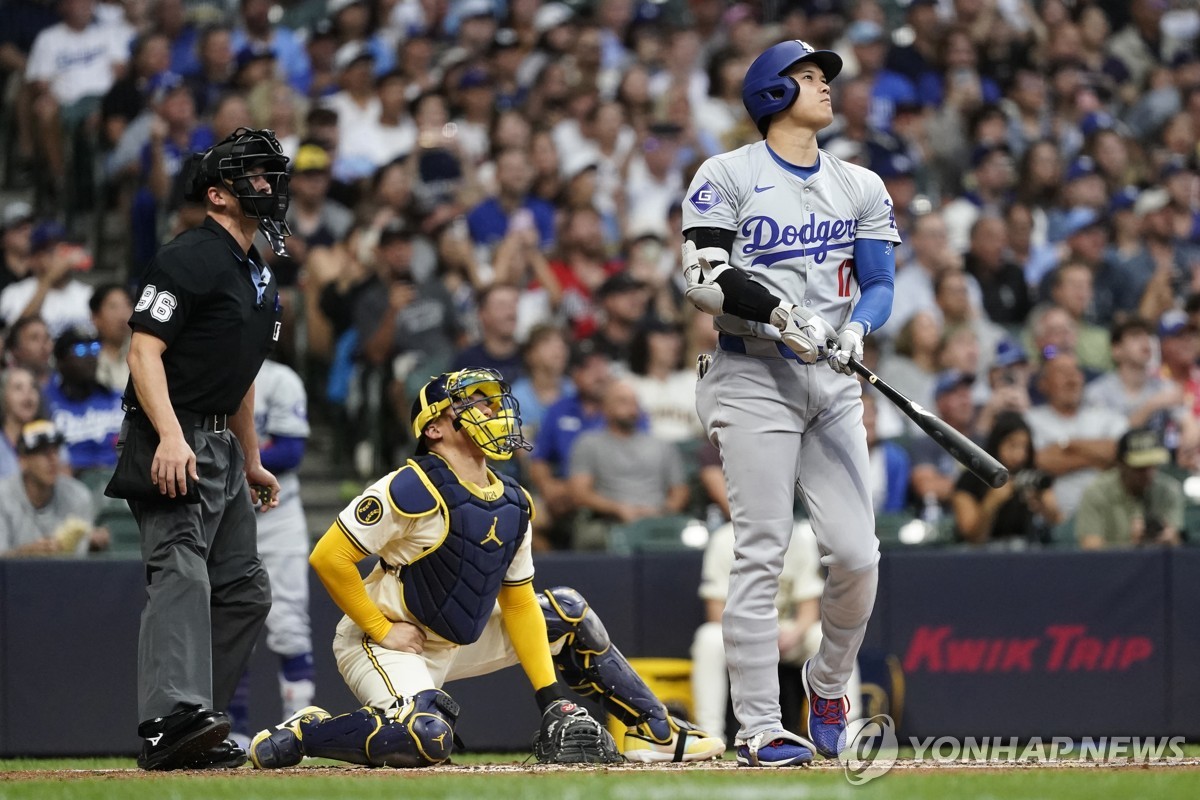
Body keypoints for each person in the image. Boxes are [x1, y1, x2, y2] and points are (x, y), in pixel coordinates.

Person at [247, 368, 723, 769]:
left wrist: (552, 699)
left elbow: (516, 602)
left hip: (454, 641)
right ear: (433, 428)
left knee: (567, 611)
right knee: (425, 738)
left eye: (491, 404)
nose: (491, 412)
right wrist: (378, 626)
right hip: (385, 641)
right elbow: (328, 557)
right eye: (471, 405)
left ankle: (655, 730)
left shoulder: (514, 501)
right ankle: (310, 732)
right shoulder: (411, 486)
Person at [682, 40, 900, 766]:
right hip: (752, 374)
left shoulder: (861, 183)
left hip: (833, 379)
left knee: (858, 555)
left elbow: (878, 281)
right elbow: (702, 273)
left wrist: (858, 329)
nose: (824, 87)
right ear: (771, 94)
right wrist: (778, 313)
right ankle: (760, 725)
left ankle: (829, 685)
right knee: (762, 550)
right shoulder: (727, 172)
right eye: (807, 77)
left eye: (824, 78)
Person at [115, 128, 290, 771]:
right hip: (171, 434)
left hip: (218, 440)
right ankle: (169, 721)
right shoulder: (188, 256)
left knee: (244, 588)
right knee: (182, 571)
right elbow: (143, 349)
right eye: (255, 177)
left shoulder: (258, 272)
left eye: (271, 175)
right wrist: (167, 434)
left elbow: (241, 374)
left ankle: (196, 725)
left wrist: (250, 457)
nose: (268, 186)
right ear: (217, 194)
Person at [691, 519, 860, 747]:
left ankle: (849, 732)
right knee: (708, 638)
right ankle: (710, 736)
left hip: (787, 632)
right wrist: (754, 635)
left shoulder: (796, 537)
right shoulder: (724, 538)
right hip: (742, 632)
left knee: (823, 636)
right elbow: (715, 610)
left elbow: (809, 606)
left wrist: (795, 632)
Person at [227, 358, 315, 746]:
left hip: (278, 516)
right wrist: (256, 452)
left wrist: (238, 456)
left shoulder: (280, 379)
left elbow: (291, 451)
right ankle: (235, 733)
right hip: (229, 513)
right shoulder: (217, 368)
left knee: (290, 626)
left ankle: (299, 729)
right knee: (232, 627)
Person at [567, 380, 690, 551]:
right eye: (622, 401)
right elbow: (579, 493)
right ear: (606, 407)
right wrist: (618, 509)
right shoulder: (589, 443)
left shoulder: (662, 445)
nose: (631, 408)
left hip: (659, 521)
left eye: (634, 402)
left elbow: (680, 490)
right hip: (610, 522)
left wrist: (663, 511)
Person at [952, 412, 1061, 546]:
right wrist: (991, 504)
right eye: (1012, 446)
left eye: (1024, 447)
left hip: (1025, 551)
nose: (1019, 455)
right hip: (982, 556)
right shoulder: (970, 480)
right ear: (997, 444)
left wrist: (1044, 507)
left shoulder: (1032, 477)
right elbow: (972, 538)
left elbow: (1057, 522)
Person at [0, 419, 101, 556]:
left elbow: (78, 562)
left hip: (66, 575)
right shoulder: (3, 496)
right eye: (43, 453)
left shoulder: (77, 495)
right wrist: (25, 554)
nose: (52, 460)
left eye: (55, 451)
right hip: (13, 577)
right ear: (23, 460)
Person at [1075, 428, 1185, 550]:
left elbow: (1176, 540)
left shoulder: (1168, 490)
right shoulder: (1097, 492)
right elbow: (1090, 549)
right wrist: (1132, 546)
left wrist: (1170, 540)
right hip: (1113, 567)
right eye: (1140, 468)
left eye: (1153, 465)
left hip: (1159, 565)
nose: (1148, 473)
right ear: (1121, 464)